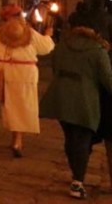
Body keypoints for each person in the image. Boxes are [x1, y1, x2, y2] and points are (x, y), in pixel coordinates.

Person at [40, 12, 112, 200]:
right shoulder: (98, 51)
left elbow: (54, 67)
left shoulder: (63, 45)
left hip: (61, 97)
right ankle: (77, 182)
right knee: (81, 140)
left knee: (71, 137)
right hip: (84, 99)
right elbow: (108, 80)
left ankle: (76, 174)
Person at [0, 3, 54, 157]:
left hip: (6, 73)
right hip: (26, 73)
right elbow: (45, 48)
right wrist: (48, 35)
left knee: (12, 107)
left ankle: (16, 138)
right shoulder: (29, 32)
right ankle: (18, 139)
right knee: (24, 107)